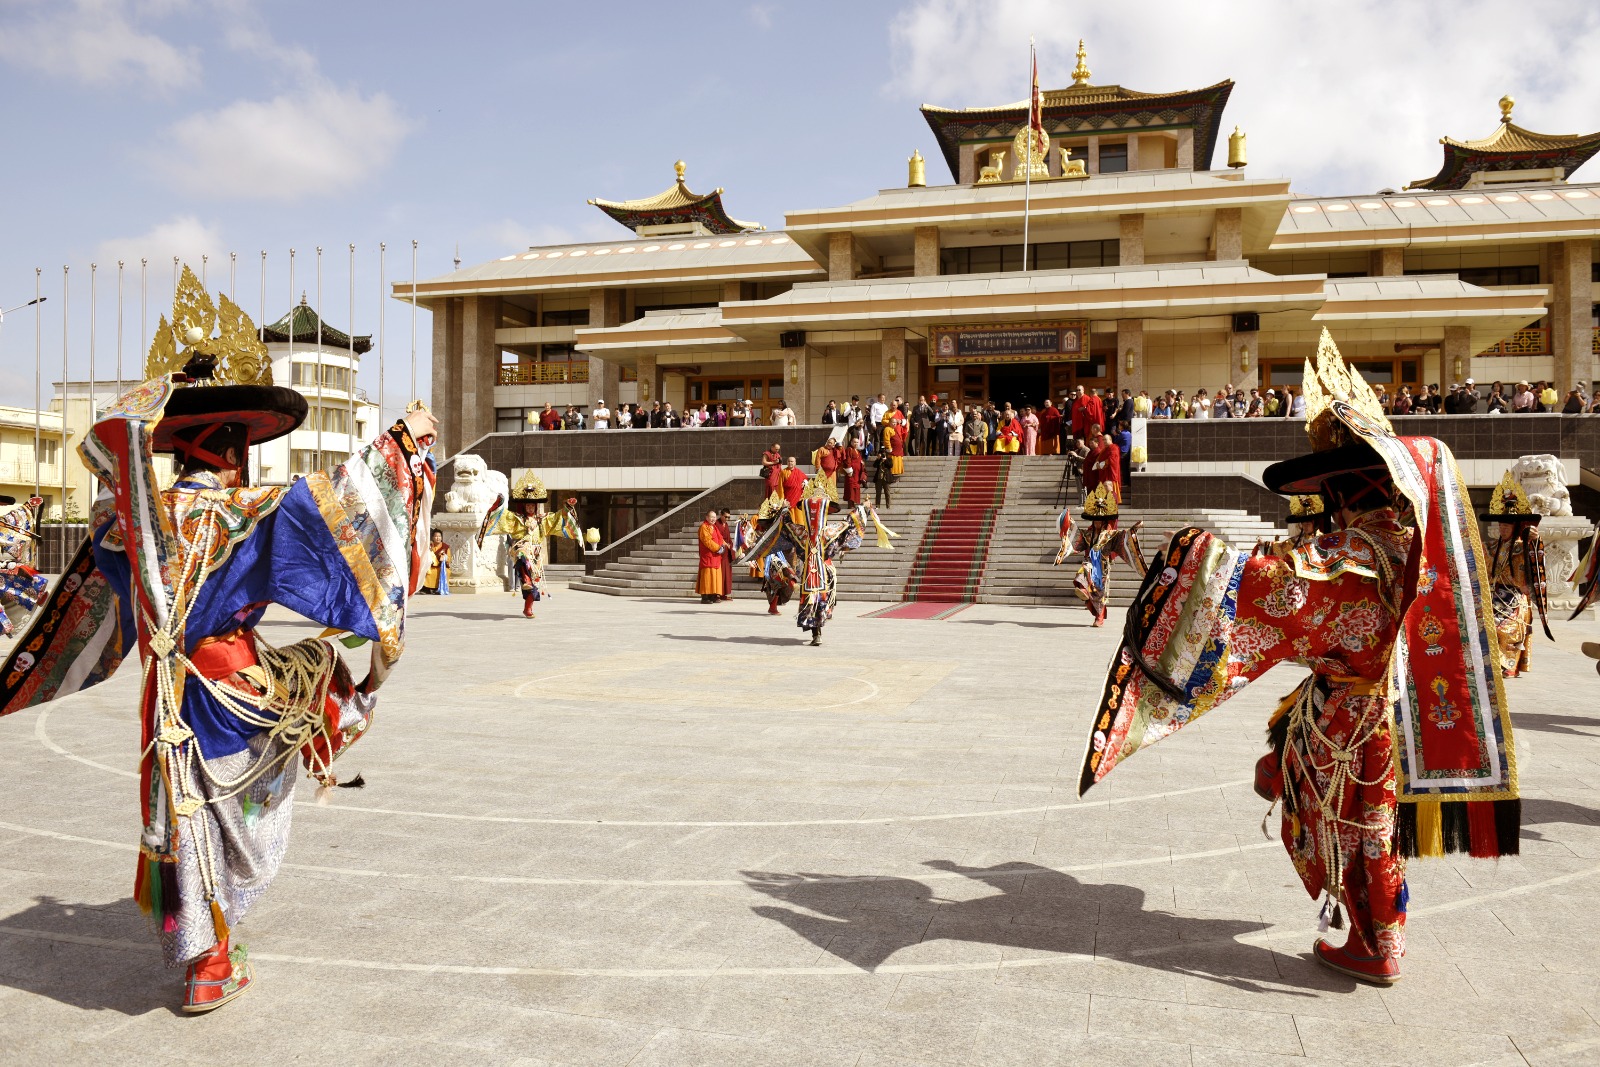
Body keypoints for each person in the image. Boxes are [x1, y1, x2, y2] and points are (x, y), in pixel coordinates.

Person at [0, 266, 441, 1012]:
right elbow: (340, 510)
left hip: (163, 691)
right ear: (237, 448)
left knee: (183, 811)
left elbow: (105, 568)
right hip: (228, 689)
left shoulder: (127, 523)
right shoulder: (251, 510)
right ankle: (213, 951)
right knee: (314, 691)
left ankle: (200, 949)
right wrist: (404, 439)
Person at [1079, 328, 1518, 988]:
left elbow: (1272, 590)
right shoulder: (1406, 544)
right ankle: (1380, 935)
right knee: (1373, 825)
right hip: (1388, 704)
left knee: (1350, 822)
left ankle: (1375, 943)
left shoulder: (1352, 554)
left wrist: (1189, 557)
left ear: (1346, 492)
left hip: (1349, 713)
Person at [1481, 470, 1551, 678]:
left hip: (1515, 597)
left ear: (1515, 527)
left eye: (1506, 525)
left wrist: (1535, 542)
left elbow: (1536, 560)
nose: (1502, 529)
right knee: (1483, 624)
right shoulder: (1491, 547)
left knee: (1504, 627)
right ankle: (1492, 663)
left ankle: (1507, 664)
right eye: (1500, 525)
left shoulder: (1524, 547)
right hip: (1494, 595)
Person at [487, 473, 581, 618]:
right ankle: (525, 579)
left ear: (535, 506)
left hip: (536, 553)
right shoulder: (517, 518)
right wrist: (499, 504)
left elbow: (557, 517)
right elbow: (503, 515)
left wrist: (567, 506)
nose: (530, 507)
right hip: (521, 547)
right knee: (522, 554)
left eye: (532, 505)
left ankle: (528, 608)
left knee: (534, 584)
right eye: (528, 505)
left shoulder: (542, 519)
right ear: (524, 506)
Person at [1053, 483, 1146, 627]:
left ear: (1103, 521)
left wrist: (1134, 528)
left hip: (1103, 566)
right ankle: (1083, 588)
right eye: (1095, 520)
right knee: (1084, 570)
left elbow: (1124, 537)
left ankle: (1099, 617)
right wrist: (1068, 522)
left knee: (1099, 594)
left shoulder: (1110, 534)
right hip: (1090, 562)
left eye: (1099, 520)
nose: (1096, 522)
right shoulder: (1088, 534)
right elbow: (1076, 537)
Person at [1080, 423, 1120, 503]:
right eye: (1103, 440)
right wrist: (1097, 462)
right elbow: (1099, 458)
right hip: (1102, 474)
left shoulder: (1113, 448)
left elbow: (1112, 460)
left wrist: (1101, 465)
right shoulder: (1104, 450)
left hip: (1110, 475)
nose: (1104, 441)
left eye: (1106, 440)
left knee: (1111, 495)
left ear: (1110, 440)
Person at [696, 510, 728, 603]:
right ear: (707, 517)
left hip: (716, 556)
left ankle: (713, 595)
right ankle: (705, 596)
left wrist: (724, 545)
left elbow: (720, 538)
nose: (713, 519)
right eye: (711, 517)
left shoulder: (714, 527)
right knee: (707, 576)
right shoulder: (703, 527)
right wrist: (718, 548)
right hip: (708, 555)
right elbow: (707, 541)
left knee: (715, 576)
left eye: (714, 517)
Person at [421, 529, 452, 595]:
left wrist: (444, 558)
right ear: (432, 537)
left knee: (444, 571)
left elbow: (449, 559)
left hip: (441, 566)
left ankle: (438, 588)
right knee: (426, 571)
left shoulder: (445, 547)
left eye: (439, 536)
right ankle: (426, 588)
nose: (438, 538)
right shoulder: (429, 546)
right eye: (436, 536)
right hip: (430, 566)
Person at [839, 437, 865, 507]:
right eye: (854, 442)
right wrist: (849, 470)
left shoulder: (857, 451)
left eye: (857, 442)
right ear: (851, 443)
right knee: (851, 487)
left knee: (856, 487)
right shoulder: (849, 449)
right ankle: (850, 504)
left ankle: (854, 502)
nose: (856, 443)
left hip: (857, 473)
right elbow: (848, 460)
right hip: (852, 473)